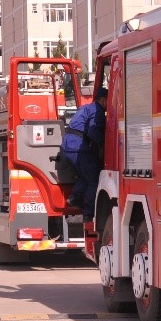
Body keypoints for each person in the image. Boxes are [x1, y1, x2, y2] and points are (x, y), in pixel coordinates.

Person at [62, 85, 107, 221]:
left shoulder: (86, 108)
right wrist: (103, 143)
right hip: (78, 148)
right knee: (94, 177)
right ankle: (88, 213)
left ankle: (74, 197)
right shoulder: (98, 111)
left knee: (86, 174)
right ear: (103, 100)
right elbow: (93, 131)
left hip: (67, 146)